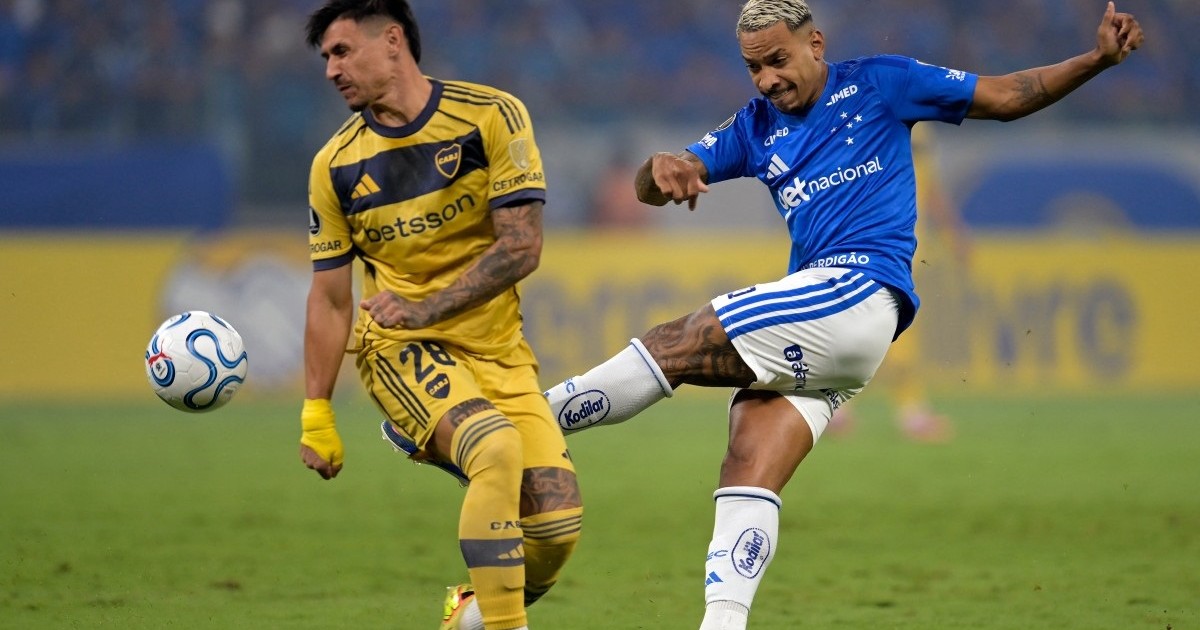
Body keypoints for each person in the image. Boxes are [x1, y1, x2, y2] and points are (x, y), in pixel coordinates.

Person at [542, 1, 1142, 628]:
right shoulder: (755, 126)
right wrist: (660, 166)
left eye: (778, 60)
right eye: (753, 68)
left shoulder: (883, 82)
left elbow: (1010, 95)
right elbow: (667, 177)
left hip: (857, 289)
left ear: (816, 44)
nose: (767, 79)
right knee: (748, 460)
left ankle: (519, 426)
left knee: (683, 339)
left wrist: (1097, 59)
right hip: (843, 337)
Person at [299, 2, 583, 629]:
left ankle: (469, 615)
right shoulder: (335, 165)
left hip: (499, 351)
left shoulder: (490, 116)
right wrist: (316, 412)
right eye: (325, 58)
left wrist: (426, 303)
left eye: (342, 52)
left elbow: (521, 248)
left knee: (556, 528)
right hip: (399, 346)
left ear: (391, 40)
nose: (331, 71)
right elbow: (331, 298)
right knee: (494, 448)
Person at [827, 123, 967, 443]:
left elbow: (929, 186)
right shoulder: (867, 119)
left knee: (879, 326)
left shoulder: (919, 124)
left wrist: (954, 233)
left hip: (907, 248)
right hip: (878, 246)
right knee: (891, 327)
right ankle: (909, 412)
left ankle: (840, 406)